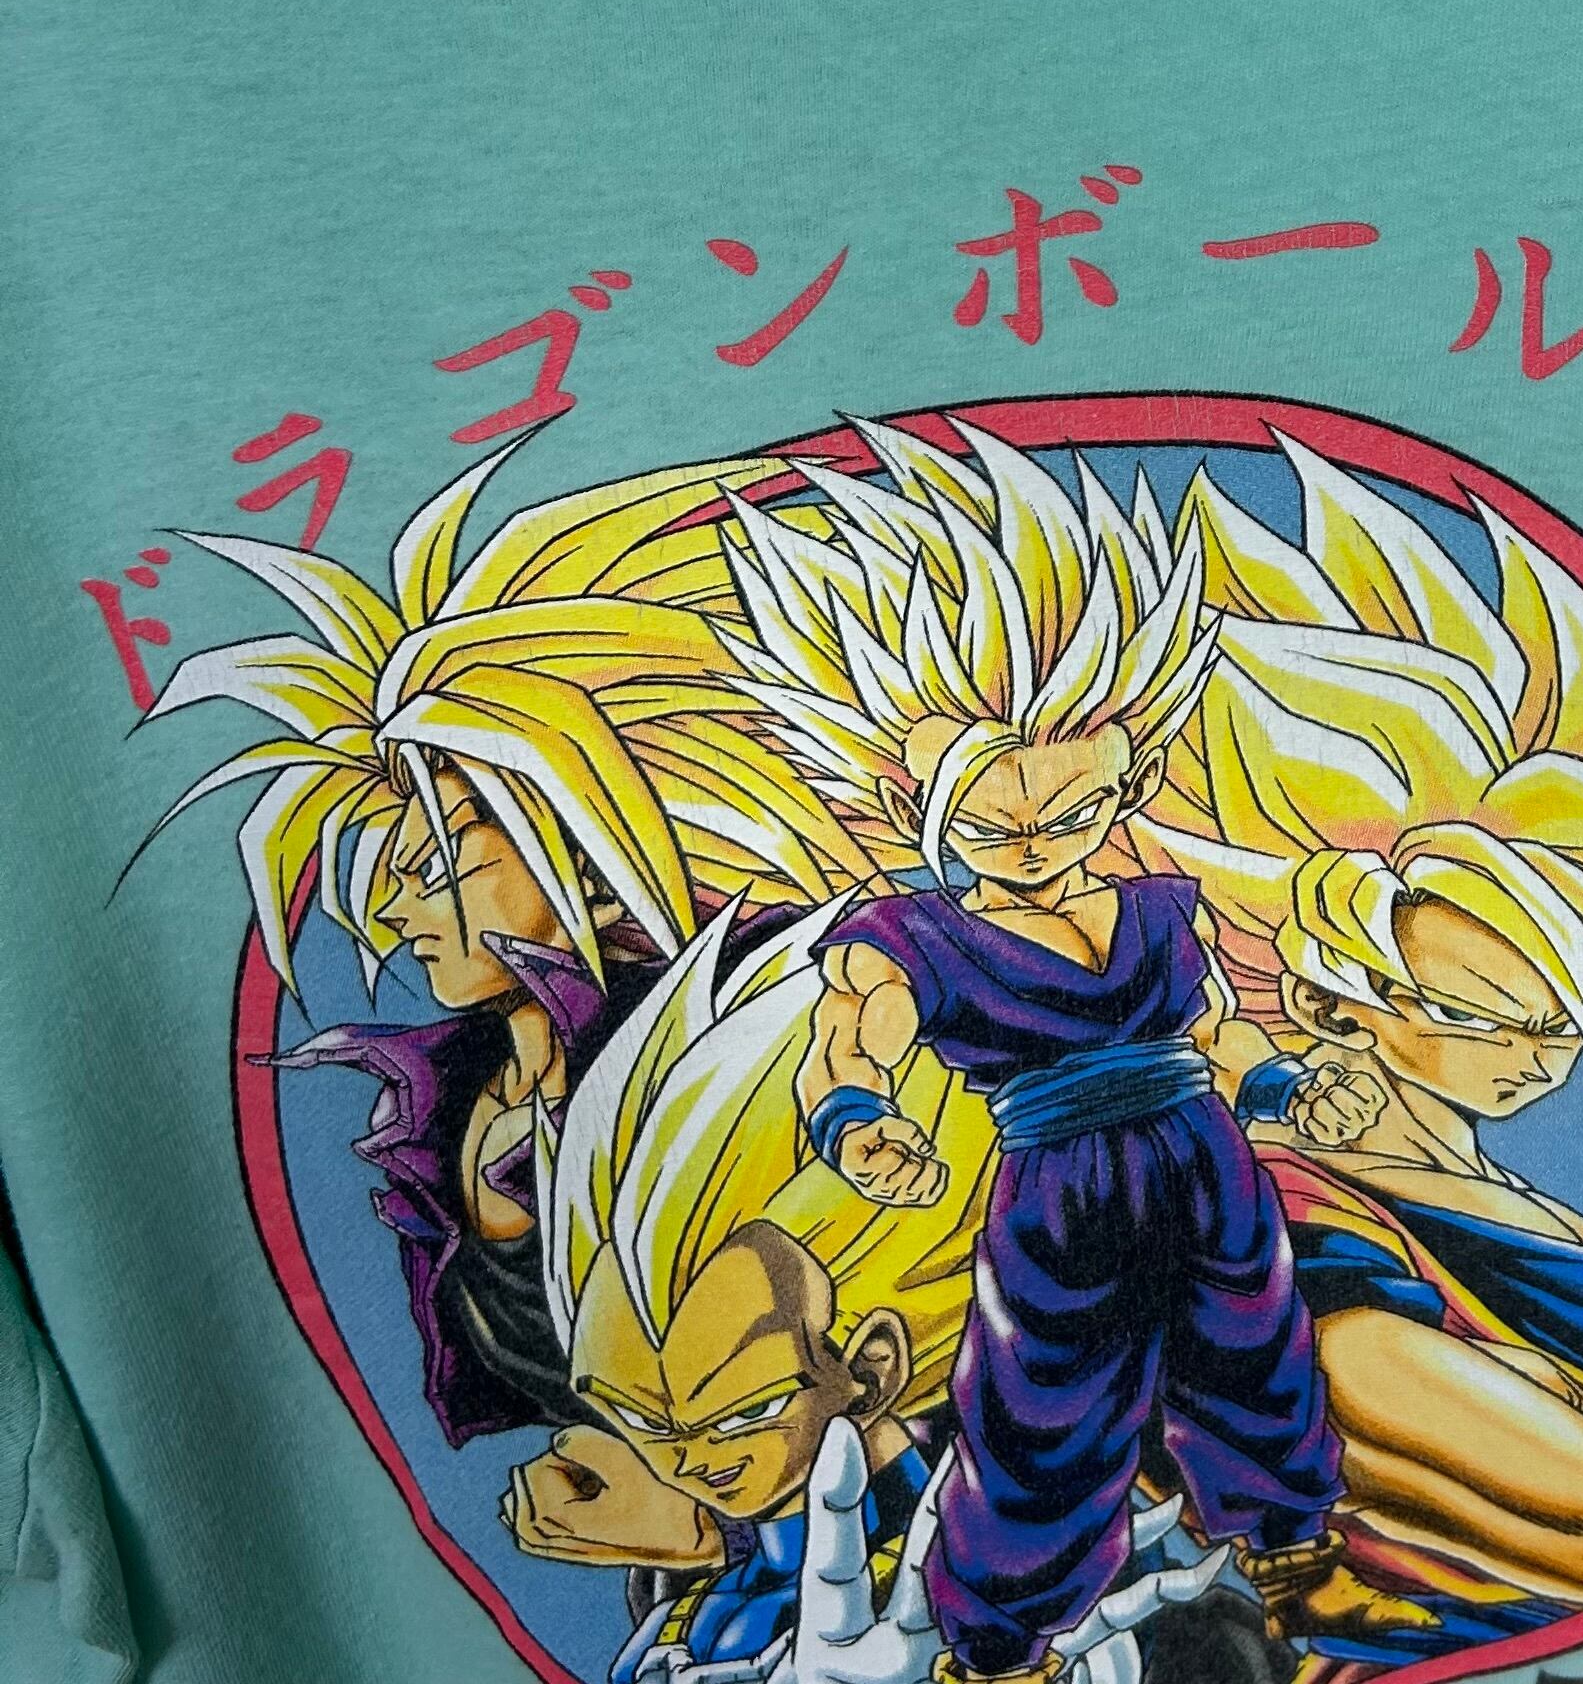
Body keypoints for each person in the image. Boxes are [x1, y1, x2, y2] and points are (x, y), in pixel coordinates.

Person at [1143, 436, 1583, 1675]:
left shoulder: (1494, 1208)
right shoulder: (1281, 1234)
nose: (1539, 1058)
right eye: (1486, 1016)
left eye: (1567, 1022)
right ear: (1332, 1001)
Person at [711, 417, 1354, 1684]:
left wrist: (1282, 1085)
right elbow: (853, 1035)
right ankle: (1005, 1630)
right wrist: (856, 1121)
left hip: (1205, 1155)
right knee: (1043, 1400)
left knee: (1253, 1339)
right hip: (1058, 1184)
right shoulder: (916, 936)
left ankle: (1285, 1535)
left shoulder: (1159, 909)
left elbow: (1216, 1026)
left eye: (1071, 811)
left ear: (1128, 779)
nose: (1036, 847)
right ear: (916, 809)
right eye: (991, 827)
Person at [136, 425, 877, 1493]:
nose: (397, 911)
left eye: (435, 864)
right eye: (393, 873)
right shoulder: (445, 1107)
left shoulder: (753, 1039)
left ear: (588, 860)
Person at [519, 897, 985, 1684]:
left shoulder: (980, 1582)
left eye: (742, 1412)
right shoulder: (691, 1606)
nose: (687, 1458)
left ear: (871, 1370)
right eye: (641, 1418)